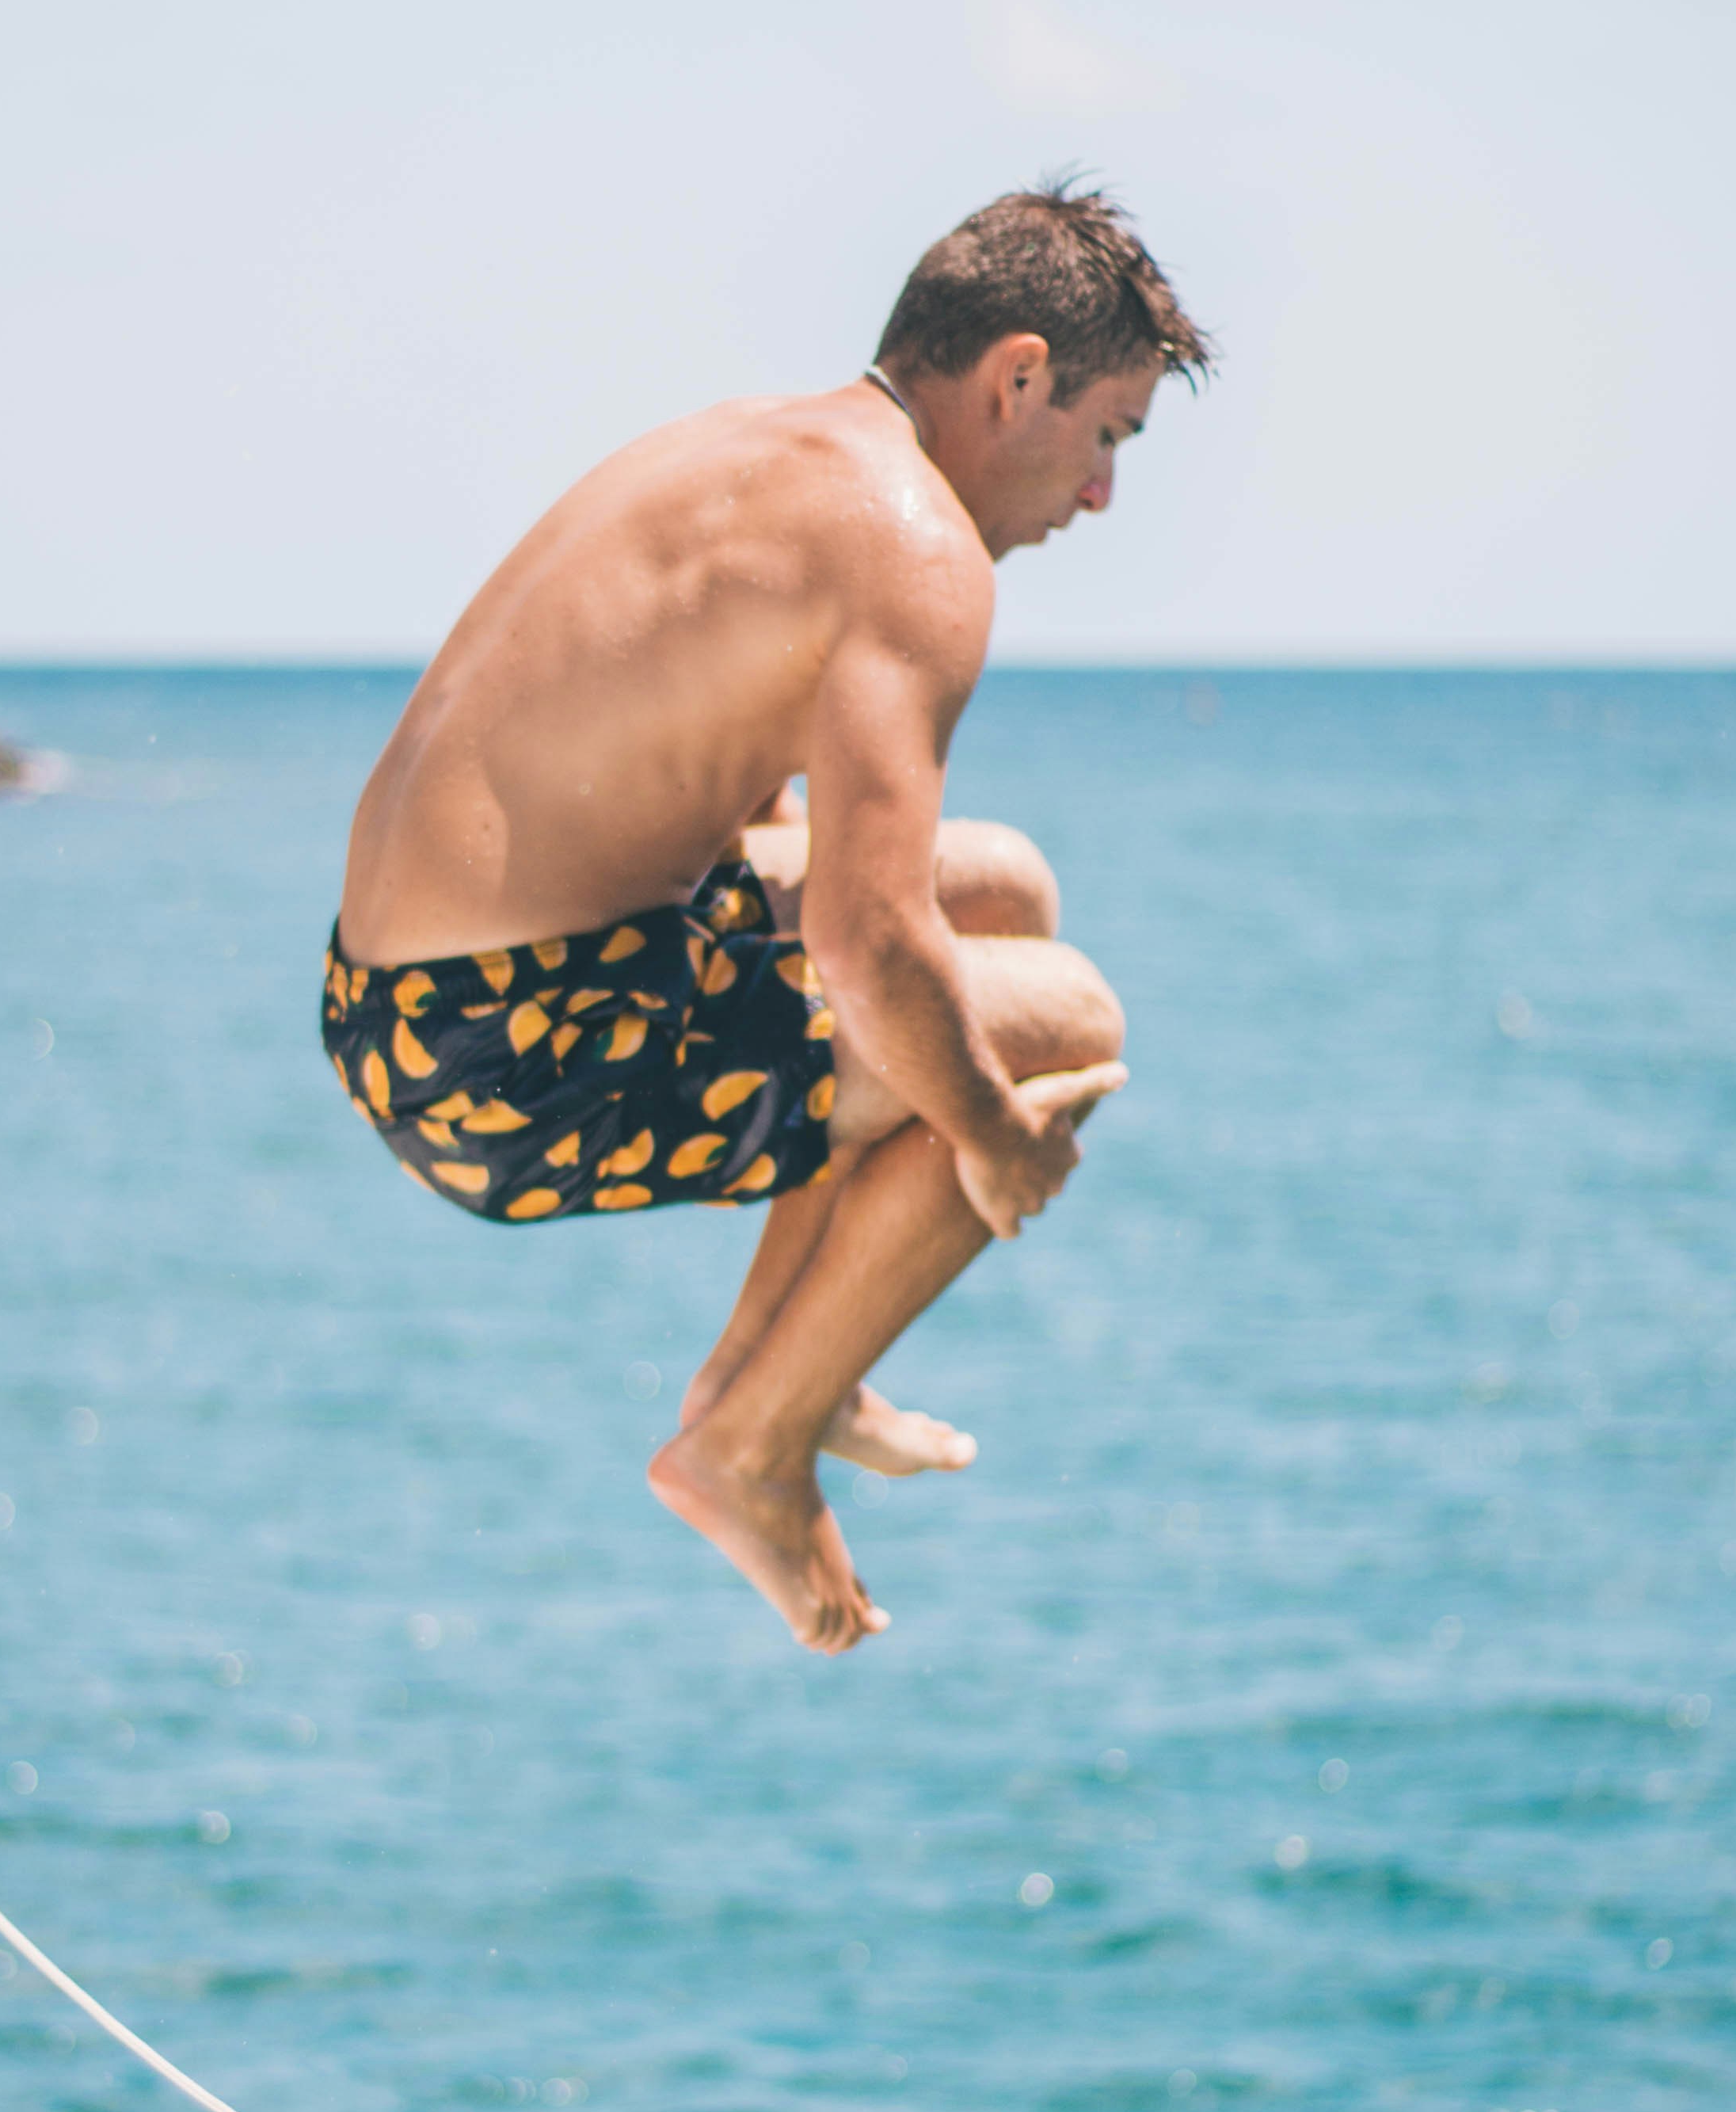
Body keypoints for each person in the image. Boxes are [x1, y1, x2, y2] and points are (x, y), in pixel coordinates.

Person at [324, 181, 1209, 1654]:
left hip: (410, 999)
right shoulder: (918, 554)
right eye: (1108, 437)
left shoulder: (765, 447)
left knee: (1002, 891)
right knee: (1065, 1026)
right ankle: (747, 1449)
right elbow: (868, 955)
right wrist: (994, 1147)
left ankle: (782, 1372)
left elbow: (709, 793)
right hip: (498, 1062)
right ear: (1019, 378)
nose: (1103, 494)